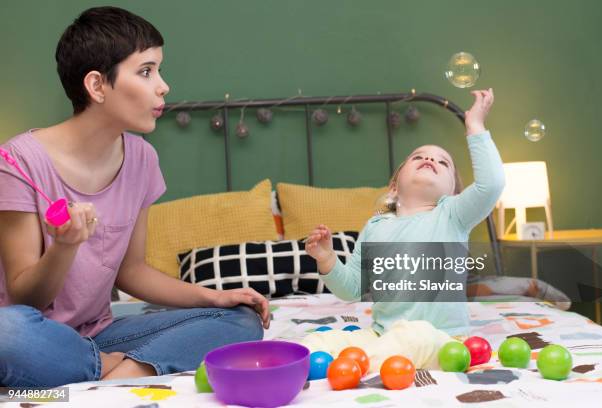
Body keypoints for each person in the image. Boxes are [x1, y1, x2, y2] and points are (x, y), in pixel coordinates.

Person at [0, 6, 269, 388]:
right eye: (146, 71)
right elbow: (26, 299)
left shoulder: (142, 157)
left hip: (99, 336)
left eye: (159, 70)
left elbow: (132, 271)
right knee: (5, 333)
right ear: (96, 86)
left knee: (240, 318)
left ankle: (115, 373)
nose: (163, 86)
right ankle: (120, 369)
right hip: (32, 333)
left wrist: (214, 297)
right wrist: (64, 247)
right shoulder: (18, 161)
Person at [302, 89, 504, 371]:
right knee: (322, 342)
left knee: (412, 336)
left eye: (443, 162)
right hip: (382, 335)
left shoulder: (452, 215)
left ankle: (354, 366)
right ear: (395, 186)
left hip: (442, 342)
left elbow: (491, 185)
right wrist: (326, 259)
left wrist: (476, 127)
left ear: (453, 192)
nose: (430, 160)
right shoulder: (375, 227)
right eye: (418, 156)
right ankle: (282, 364)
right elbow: (351, 289)